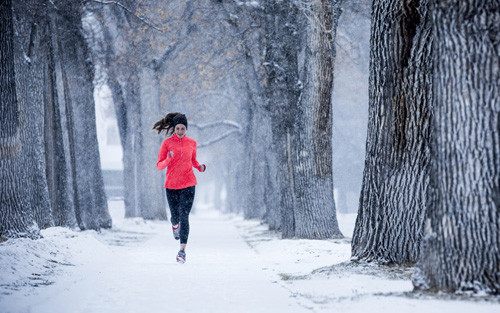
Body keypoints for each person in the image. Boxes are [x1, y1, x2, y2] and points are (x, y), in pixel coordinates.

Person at [153, 113, 206, 263]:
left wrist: (200, 167)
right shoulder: (167, 144)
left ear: (186, 129)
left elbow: (193, 160)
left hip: (189, 184)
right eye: (178, 128)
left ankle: (182, 251)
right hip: (171, 185)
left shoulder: (192, 143)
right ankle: (174, 224)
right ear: (174, 128)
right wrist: (169, 159)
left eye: (183, 128)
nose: (180, 131)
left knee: (184, 216)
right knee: (175, 216)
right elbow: (159, 165)